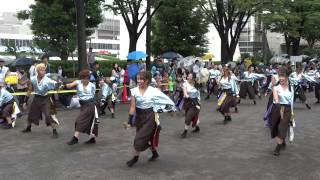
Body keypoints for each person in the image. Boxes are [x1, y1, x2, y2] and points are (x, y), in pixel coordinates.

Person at [126, 71, 175, 167]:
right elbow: (132, 107)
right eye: (138, 79)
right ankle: (154, 153)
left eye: (141, 79)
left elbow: (164, 100)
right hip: (140, 116)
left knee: (139, 139)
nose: (139, 81)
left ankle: (135, 158)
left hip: (150, 117)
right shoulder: (134, 91)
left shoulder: (154, 91)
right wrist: (130, 120)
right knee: (144, 137)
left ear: (147, 80)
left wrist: (170, 110)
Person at [21, 63, 60, 138]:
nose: (43, 72)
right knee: (31, 114)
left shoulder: (48, 80)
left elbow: (55, 84)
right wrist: (25, 101)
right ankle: (28, 128)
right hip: (36, 98)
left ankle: (55, 131)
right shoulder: (33, 79)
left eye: (44, 70)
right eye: (41, 70)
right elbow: (29, 90)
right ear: (38, 71)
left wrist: (59, 85)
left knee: (48, 115)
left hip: (45, 99)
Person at [64, 69, 99, 145]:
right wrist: (63, 85)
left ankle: (75, 138)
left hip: (90, 105)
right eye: (83, 78)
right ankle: (92, 139)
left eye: (86, 78)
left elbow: (93, 95)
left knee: (79, 120)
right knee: (89, 122)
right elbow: (70, 85)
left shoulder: (92, 85)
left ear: (89, 78)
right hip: (83, 105)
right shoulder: (78, 82)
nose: (84, 80)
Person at [270, 70, 294, 156]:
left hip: (287, 109)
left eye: (283, 80)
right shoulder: (276, 88)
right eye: (280, 80)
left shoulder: (291, 88)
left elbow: (291, 101)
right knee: (275, 127)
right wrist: (279, 108)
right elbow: (276, 99)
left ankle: (278, 147)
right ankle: (282, 141)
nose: (281, 81)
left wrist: (292, 114)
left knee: (282, 127)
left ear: (287, 79)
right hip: (277, 108)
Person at [181, 73, 201, 138]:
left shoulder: (196, 85)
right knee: (192, 117)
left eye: (190, 76)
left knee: (188, 116)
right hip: (188, 102)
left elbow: (198, 94)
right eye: (188, 76)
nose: (188, 77)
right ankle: (197, 127)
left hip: (195, 103)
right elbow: (185, 93)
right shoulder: (185, 84)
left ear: (193, 78)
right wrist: (186, 95)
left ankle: (185, 131)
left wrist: (198, 102)